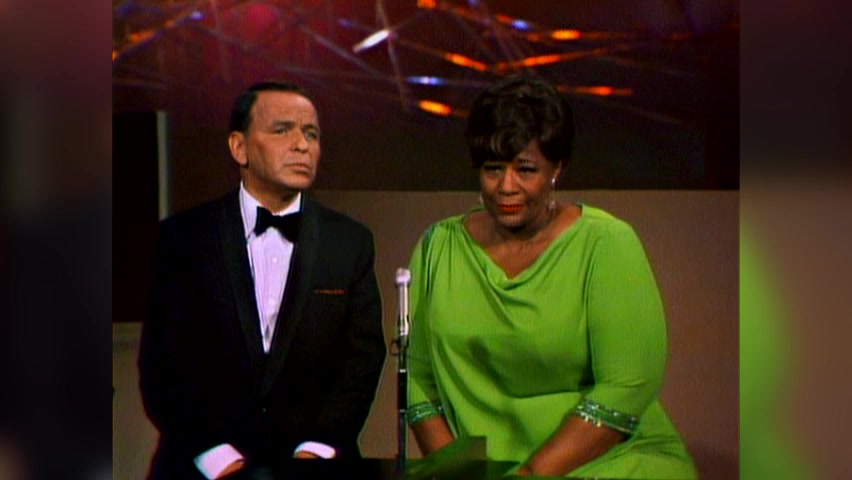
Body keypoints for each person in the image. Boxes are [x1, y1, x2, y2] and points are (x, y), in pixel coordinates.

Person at [406, 75, 698, 479]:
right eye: (493, 169)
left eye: (525, 169)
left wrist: (529, 476)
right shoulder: (437, 248)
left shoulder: (606, 243)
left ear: (556, 169)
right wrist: (458, 474)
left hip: (609, 462)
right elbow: (417, 380)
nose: (506, 186)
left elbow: (627, 386)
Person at [138, 81, 387, 479]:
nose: (302, 145)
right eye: (282, 130)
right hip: (202, 465)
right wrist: (220, 460)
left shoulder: (350, 243)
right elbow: (162, 366)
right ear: (239, 147)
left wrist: (314, 452)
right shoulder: (183, 238)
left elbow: (361, 363)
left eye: (311, 134)